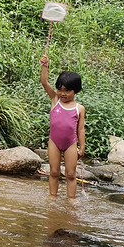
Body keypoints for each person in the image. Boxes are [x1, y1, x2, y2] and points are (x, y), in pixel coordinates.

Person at [39, 54, 85, 199]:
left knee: (71, 174)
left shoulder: (79, 108)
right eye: (60, 89)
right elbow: (44, 82)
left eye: (67, 91)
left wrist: (82, 146)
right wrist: (45, 65)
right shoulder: (55, 100)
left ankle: (71, 199)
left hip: (71, 144)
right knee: (54, 172)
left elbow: (81, 128)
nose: (62, 93)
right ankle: (53, 196)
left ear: (75, 91)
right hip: (54, 142)